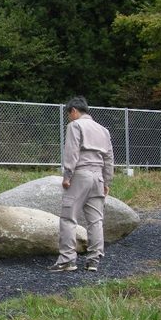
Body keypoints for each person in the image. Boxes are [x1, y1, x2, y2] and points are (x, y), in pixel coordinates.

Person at [48, 96, 114, 272]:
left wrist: (67, 176)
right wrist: (107, 181)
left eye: (69, 114)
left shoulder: (75, 126)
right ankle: (94, 260)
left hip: (81, 175)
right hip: (98, 176)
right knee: (96, 220)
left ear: (74, 111)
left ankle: (67, 260)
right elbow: (109, 158)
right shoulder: (103, 130)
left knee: (69, 217)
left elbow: (72, 152)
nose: (69, 117)